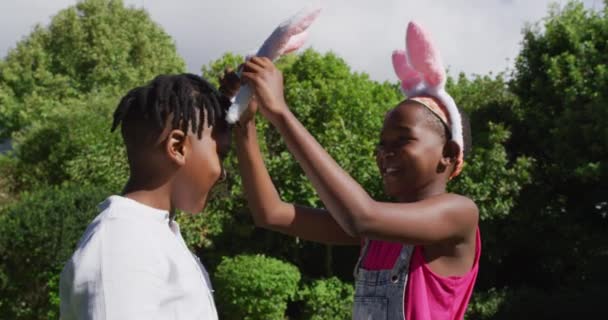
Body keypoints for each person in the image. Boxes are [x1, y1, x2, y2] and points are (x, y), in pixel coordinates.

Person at [234, 55, 480, 319]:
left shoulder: (460, 214)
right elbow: (271, 213)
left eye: (402, 140)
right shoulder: (377, 231)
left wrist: (281, 113)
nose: (385, 153)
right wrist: (244, 124)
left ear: (449, 154)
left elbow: (361, 217)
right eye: (382, 144)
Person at [60, 73, 236, 320]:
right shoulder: (121, 245)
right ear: (177, 147)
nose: (222, 173)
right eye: (222, 154)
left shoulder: (150, 234)